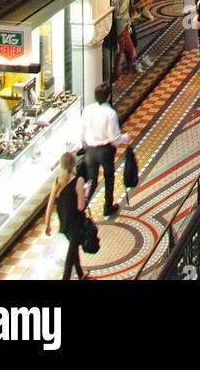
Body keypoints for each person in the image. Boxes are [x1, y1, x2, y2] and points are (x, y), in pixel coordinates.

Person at [80, 83, 131, 217]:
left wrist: (84, 145)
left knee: (92, 180)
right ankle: (108, 206)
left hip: (90, 149)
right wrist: (125, 138)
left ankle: (83, 206)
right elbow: (114, 137)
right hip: (105, 150)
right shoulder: (110, 113)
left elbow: (82, 131)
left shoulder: (87, 110)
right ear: (108, 97)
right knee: (109, 177)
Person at [44, 151, 89, 281]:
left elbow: (50, 203)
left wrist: (47, 224)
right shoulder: (78, 181)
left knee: (73, 250)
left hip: (64, 223)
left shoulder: (58, 181)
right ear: (74, 164)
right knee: (69, 259)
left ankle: (81, 274)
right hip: (76, 223)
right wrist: (86, 194)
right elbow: (81, 206)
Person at [112, 0, 138, 80]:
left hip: (123, 24)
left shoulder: (121, 0)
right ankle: (123, 71)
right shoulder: (120, 0)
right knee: (122, 47)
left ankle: (125, 71)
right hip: (123, 24)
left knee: (125, 49)